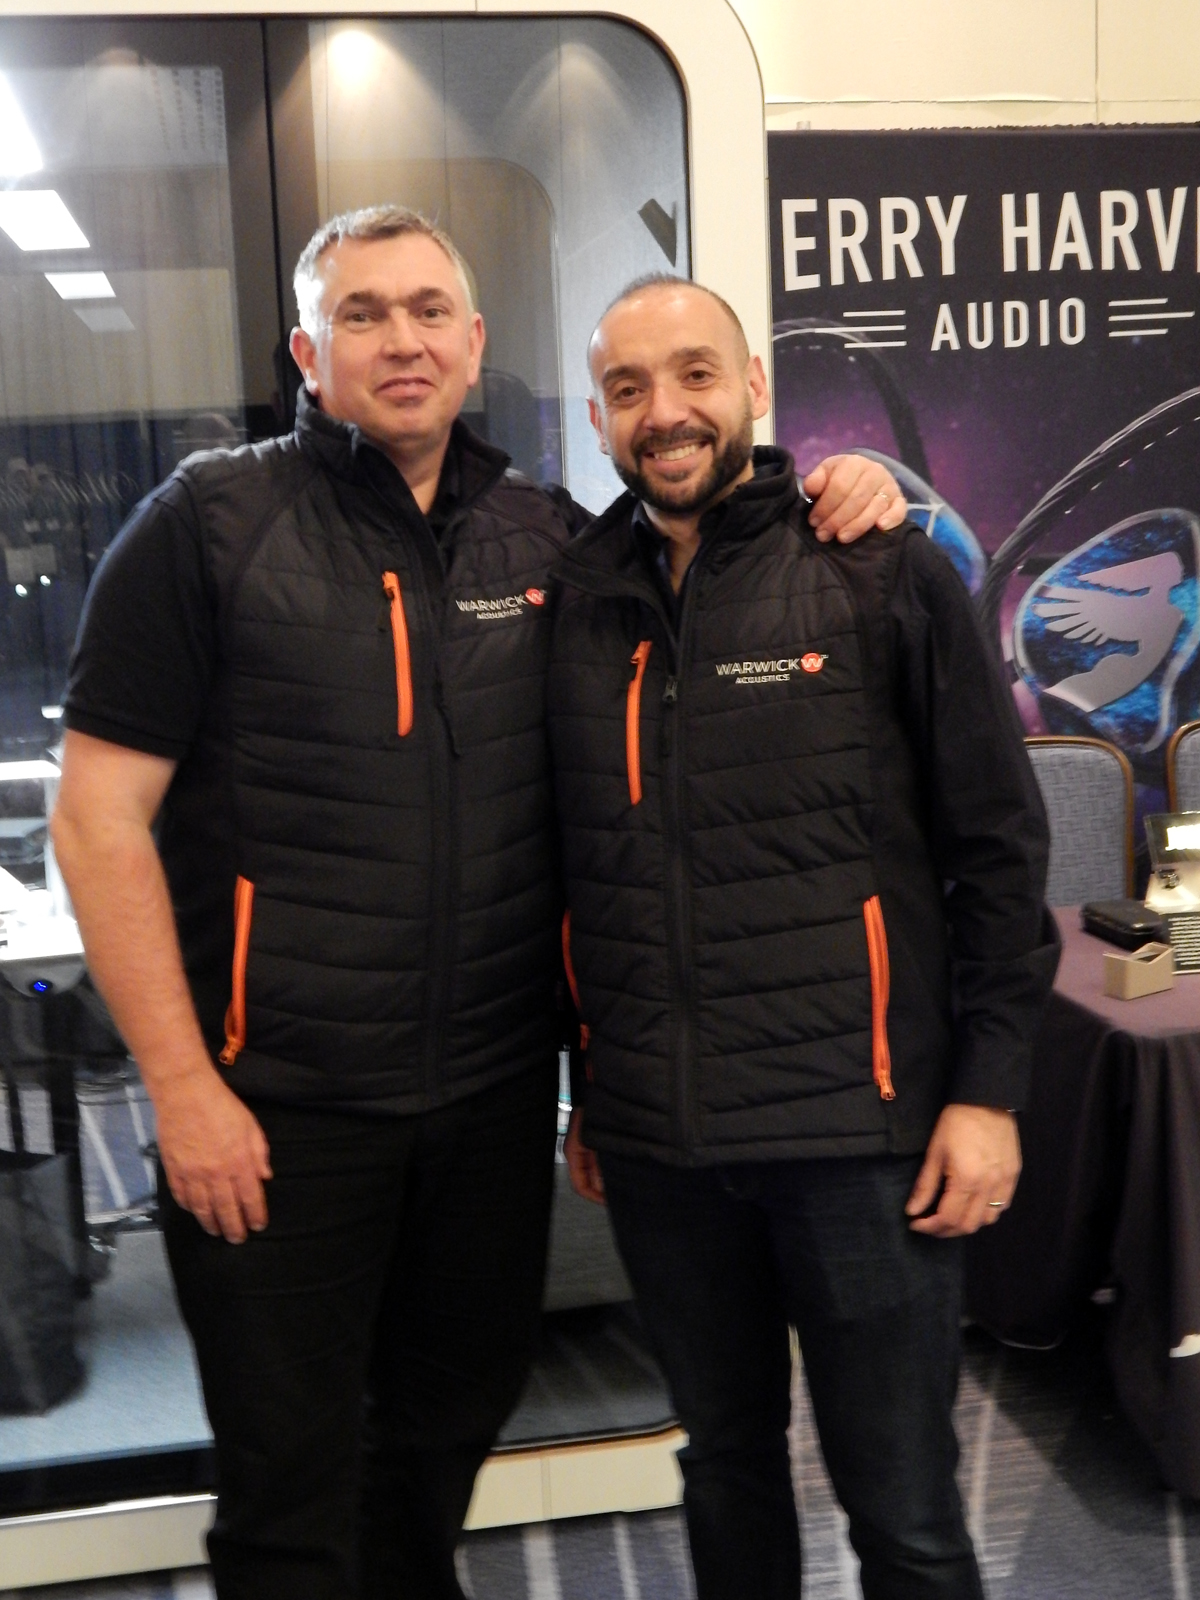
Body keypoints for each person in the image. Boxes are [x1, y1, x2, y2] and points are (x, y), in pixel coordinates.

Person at [49, 206, 907, 1600]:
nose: (402, 339)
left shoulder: (547, 540)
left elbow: (706, 563)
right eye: (363, 313)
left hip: (493, 1106)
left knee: (450, 1422)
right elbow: (97, 823)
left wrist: (839, 484)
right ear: (308, 353)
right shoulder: (207, 525)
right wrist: (182, 1088)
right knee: (287, 1480)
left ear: (474, 342)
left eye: (428, 309)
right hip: (278, 1109)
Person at [553, 274, 1060, 1600]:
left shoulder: (877, 566)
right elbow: (577, 872)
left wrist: (989, 1092)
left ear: (754, 388)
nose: (665, 412)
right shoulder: (576, 608)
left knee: (903, 1511)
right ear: (597, 418)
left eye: (695, 374)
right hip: (663, 1148)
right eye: (626, 388)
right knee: (723, 1471)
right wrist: (593, 1081)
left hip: (859, 1140)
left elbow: (999, 847)